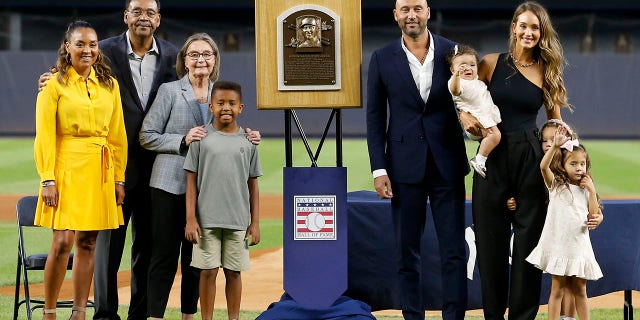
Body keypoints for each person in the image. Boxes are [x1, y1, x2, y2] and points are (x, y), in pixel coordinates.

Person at [38, 1, 178, 318]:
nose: (144, 17)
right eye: (137, 11)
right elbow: (69, 79)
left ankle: (127, 313)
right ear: (126, 16)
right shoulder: (104, 49)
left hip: (146, 164)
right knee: (92, 245)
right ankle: (97, 313)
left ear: (158, 18)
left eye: (150, 12)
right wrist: (47, 177)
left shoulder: (171, 55)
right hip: (86, 167)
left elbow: (187, 90)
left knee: (141, 243)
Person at [457, 2, 573, 319]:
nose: (528, 32)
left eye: (535, 27)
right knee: (490, 245)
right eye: (523, 25)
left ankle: (522, 316)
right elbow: (463, 96)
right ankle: (493, 315)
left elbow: (555, 122)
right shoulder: (491, 63)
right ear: (513, 28)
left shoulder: (547, 71)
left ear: (541, 33)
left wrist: (570, 155)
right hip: (490, 156)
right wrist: (465, 116)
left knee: (529, 247)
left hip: (530, 157)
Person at [139, 33, 261, 320]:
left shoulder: (222, 93)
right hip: (169, 184)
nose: (200, 60)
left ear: (215, 60)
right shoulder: (170, 91)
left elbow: (229, 131)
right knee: (164, 257)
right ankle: (155, 315)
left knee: (197, 259)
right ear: (184, 60)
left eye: (207, 54)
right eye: (194, 54)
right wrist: (182, 139)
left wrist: (249, 134)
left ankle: (189, 315)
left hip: (208, 190)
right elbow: (147, 135)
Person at [366, 0, 469, 319]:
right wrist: (378, 167)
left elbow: (471, 97)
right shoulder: (382, 58)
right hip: (402, 167)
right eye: (405, 9)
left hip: (447, 164)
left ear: (427, 12)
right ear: (396, 15)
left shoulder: (454, 52)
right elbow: (374, 117)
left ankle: (454, 316)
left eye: (418, 8)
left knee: (453, 251)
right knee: (406, 252)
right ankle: (413, 315)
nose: (412, 14)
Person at [34, 20, 127, 320]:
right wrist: (47, 177)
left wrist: (118, 177)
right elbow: (45, 135)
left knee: (88, 242)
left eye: (92, 44)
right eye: (81, 44)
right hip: (64, 169)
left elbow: (117, 135)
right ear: (67, 47)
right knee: (62, 241)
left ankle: (78, 313)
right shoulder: (53, 85)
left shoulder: (109, 85)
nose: (87, 50)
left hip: (100, 169)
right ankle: (49, 312)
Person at [507, 119, 604, 320]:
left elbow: (593, 214)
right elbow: (544, 166)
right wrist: (556, 147)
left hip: (579, 246)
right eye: (573, 163)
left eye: (582, 164)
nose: (579, 168)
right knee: (557, 289)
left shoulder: (586, 188)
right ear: (563, 164)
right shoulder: (557, 187)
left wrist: (592, 191)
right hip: (559, 245)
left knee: (580, 289)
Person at [184, 80, 262, 320]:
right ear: (211, 106)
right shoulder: (201, 139)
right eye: (220, 103)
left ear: (241, 108)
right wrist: (190, 219)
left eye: (231, 103)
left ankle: (233, 318)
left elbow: (253, 185)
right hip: (206, 221)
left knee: (234, 273)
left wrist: (255, 222)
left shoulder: (248, 143)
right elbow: (190, 181)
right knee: (207, 272)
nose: (225, 107)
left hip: (237, 221)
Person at [447, 44, 502, 178]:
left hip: (485, 117)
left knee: (496, 140)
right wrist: (456, 76)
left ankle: (485, 161)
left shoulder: (476, 80)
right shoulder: (458, 82)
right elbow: (454, 90)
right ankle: (479, 160)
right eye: (462, 65)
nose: (468, 68)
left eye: (472, 65)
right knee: (495, 136)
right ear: (452, 69)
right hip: (477, 120)